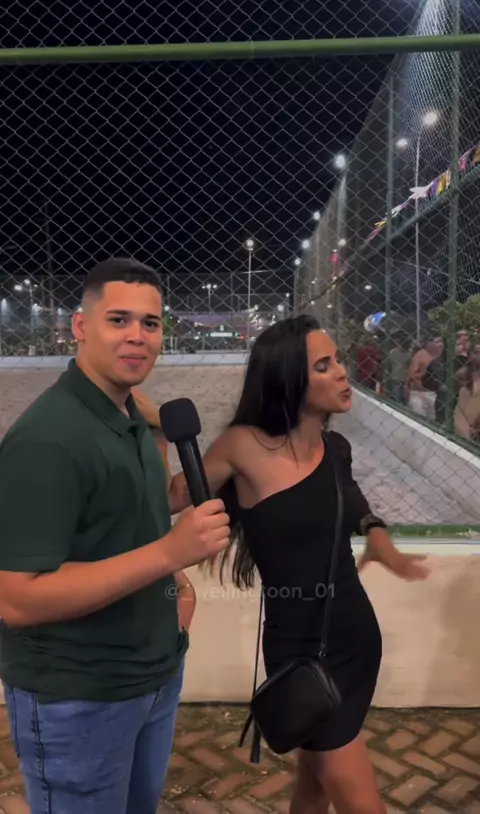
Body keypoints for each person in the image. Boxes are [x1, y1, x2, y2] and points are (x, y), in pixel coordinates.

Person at [167, 315, 429, 814]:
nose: (343, 373)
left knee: (313, 788)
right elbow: (173, 496)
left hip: (356, 637)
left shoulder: (336, 449)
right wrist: (155, 435)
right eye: (323, 366)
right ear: (288, 379)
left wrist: (376, 532)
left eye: (338, 360)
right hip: (299, 652)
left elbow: (351, 496)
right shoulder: (243, 445)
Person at [0, 257, 230, 814]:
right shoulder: (48, 440)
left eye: (150, 323)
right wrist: (171, 553)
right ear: (81, 327)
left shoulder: (128, 419)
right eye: (118, 320)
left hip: (150, 676)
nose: (137, 336)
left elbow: (136, 508)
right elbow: (17, 599)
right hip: (79, 697)